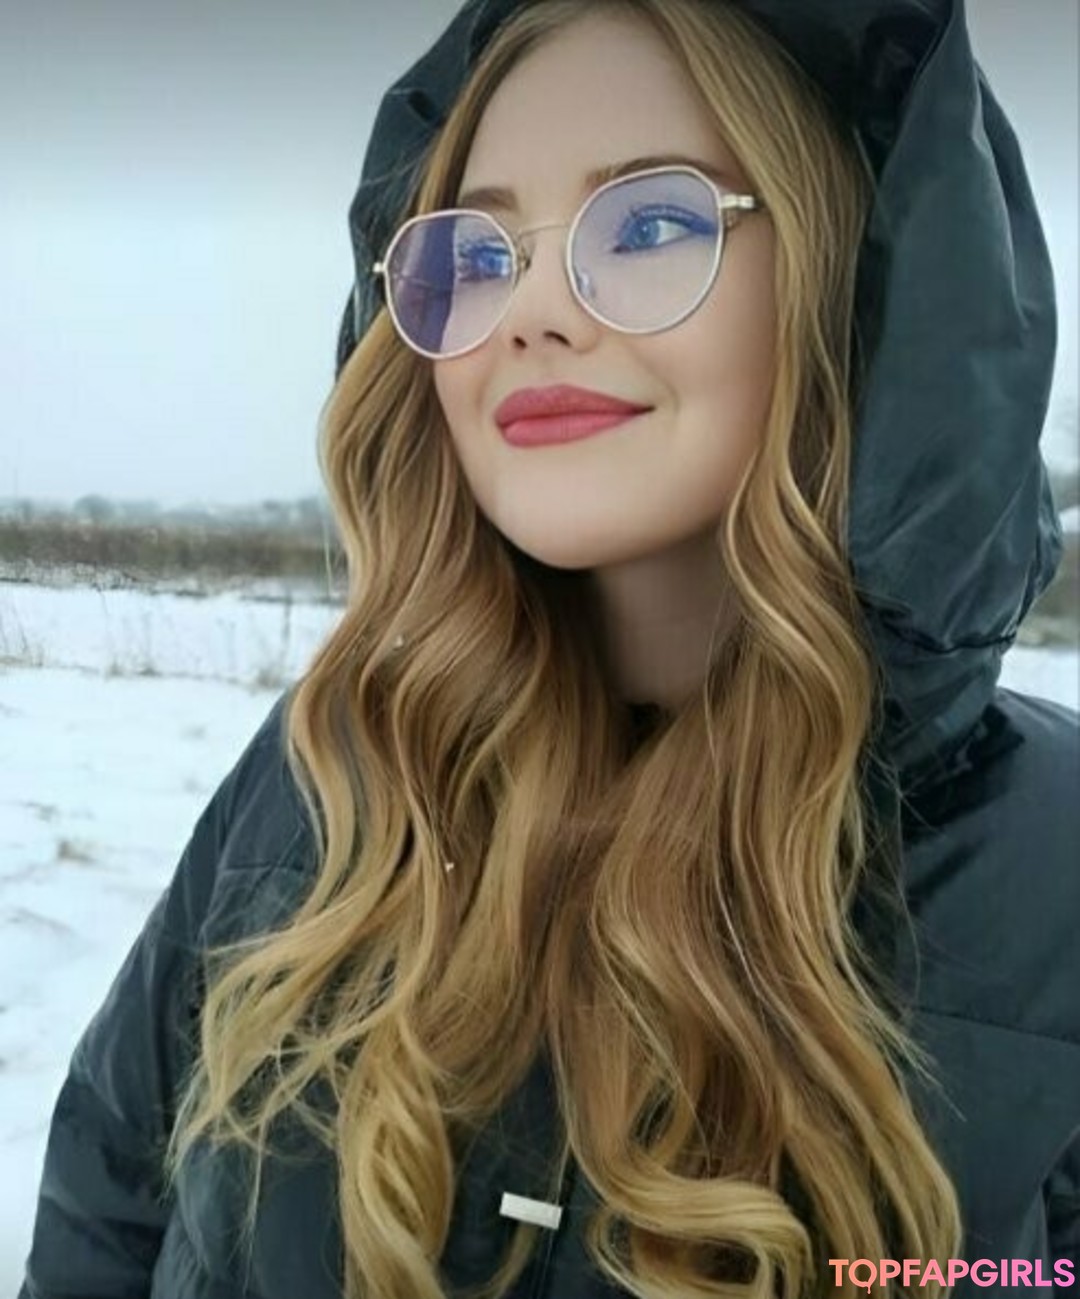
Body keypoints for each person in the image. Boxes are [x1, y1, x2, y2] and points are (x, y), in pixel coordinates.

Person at [18, 0, 1079, 1296]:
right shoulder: (325, 775)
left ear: (854, 280)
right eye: (476, 253)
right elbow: (105, 1206)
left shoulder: (1050, 861)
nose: (530, 311)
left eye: (651, 226)